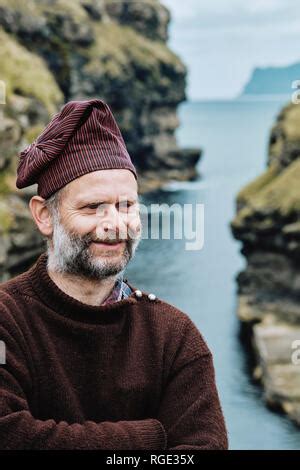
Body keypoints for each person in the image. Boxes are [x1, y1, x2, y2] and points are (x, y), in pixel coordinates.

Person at [0, 98, 228, 450]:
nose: (114, 224)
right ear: (45, 216)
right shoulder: (7, 320)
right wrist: (149, 437)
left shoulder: (174, 337)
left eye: (127, 206)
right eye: (93, 207)